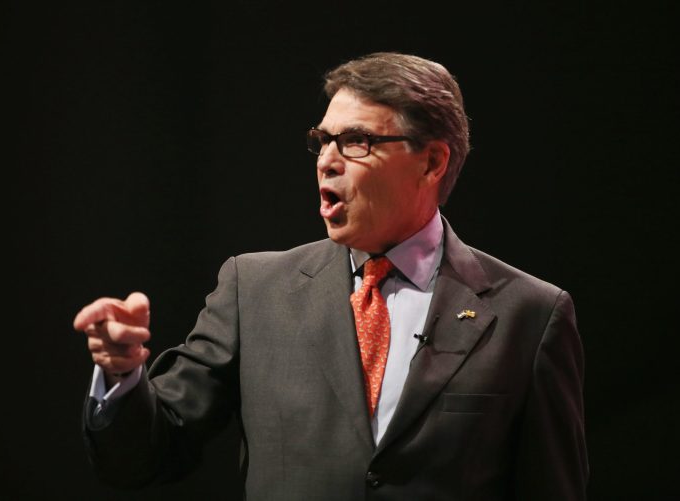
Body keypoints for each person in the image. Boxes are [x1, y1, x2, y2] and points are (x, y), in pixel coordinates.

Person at [74, 52, 588, 500]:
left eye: (356, 140)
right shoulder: (254, 291)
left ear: (431, 162)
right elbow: (146, 455)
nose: (326, 161)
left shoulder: (529, 315)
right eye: (322, 141)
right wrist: (122, 375)